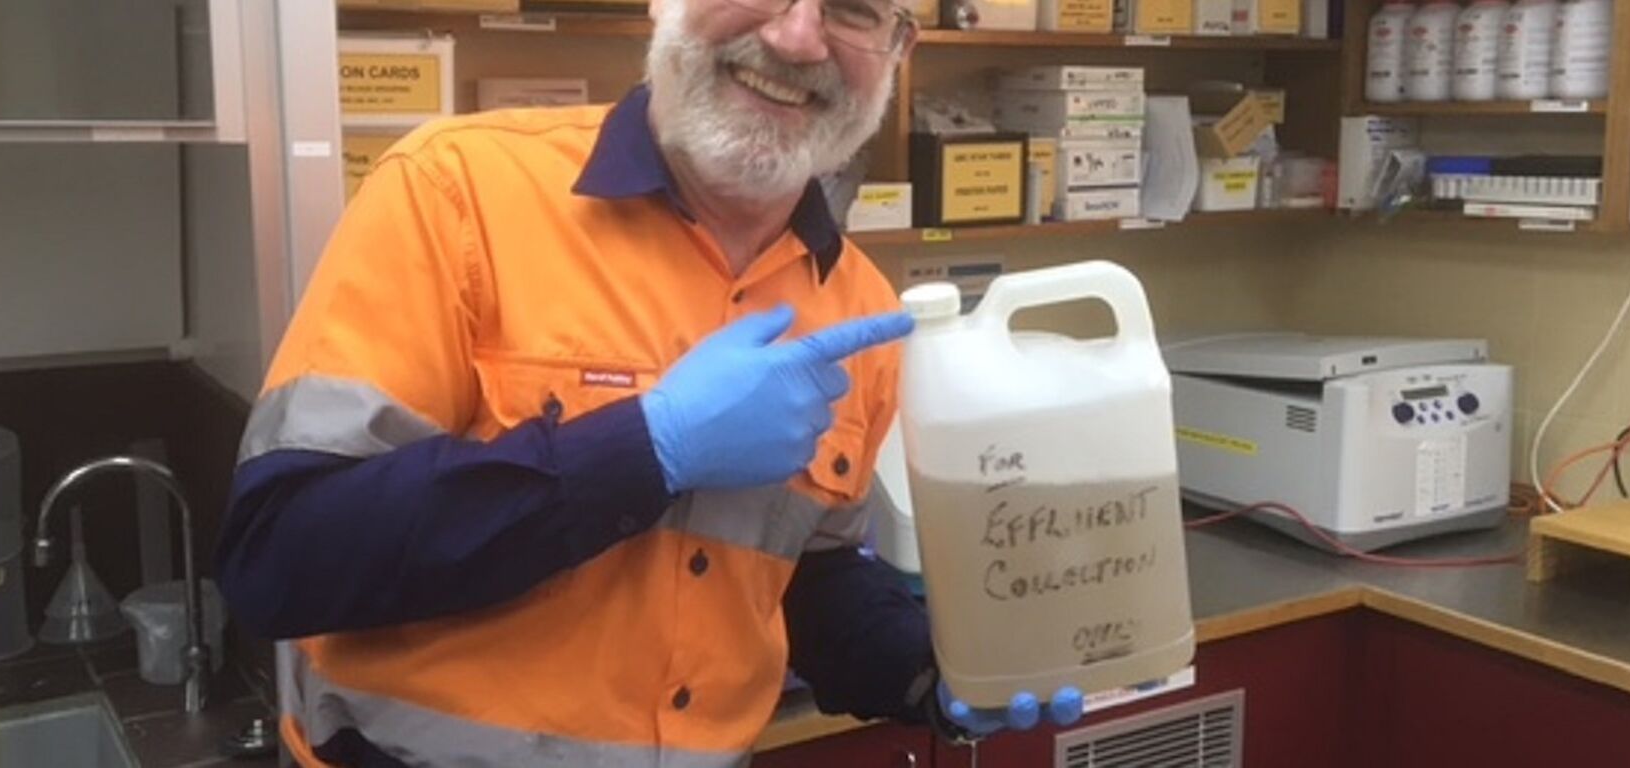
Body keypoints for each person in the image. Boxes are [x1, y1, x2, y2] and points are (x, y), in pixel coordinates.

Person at [214, 0, 1082, 762]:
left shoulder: (858, 306)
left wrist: (935, 670)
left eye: (853, 8)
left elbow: (799, 580)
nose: (798, 35)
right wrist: (650, 444)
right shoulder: (455, 191)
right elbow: (280, 556)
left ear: (897, 50)